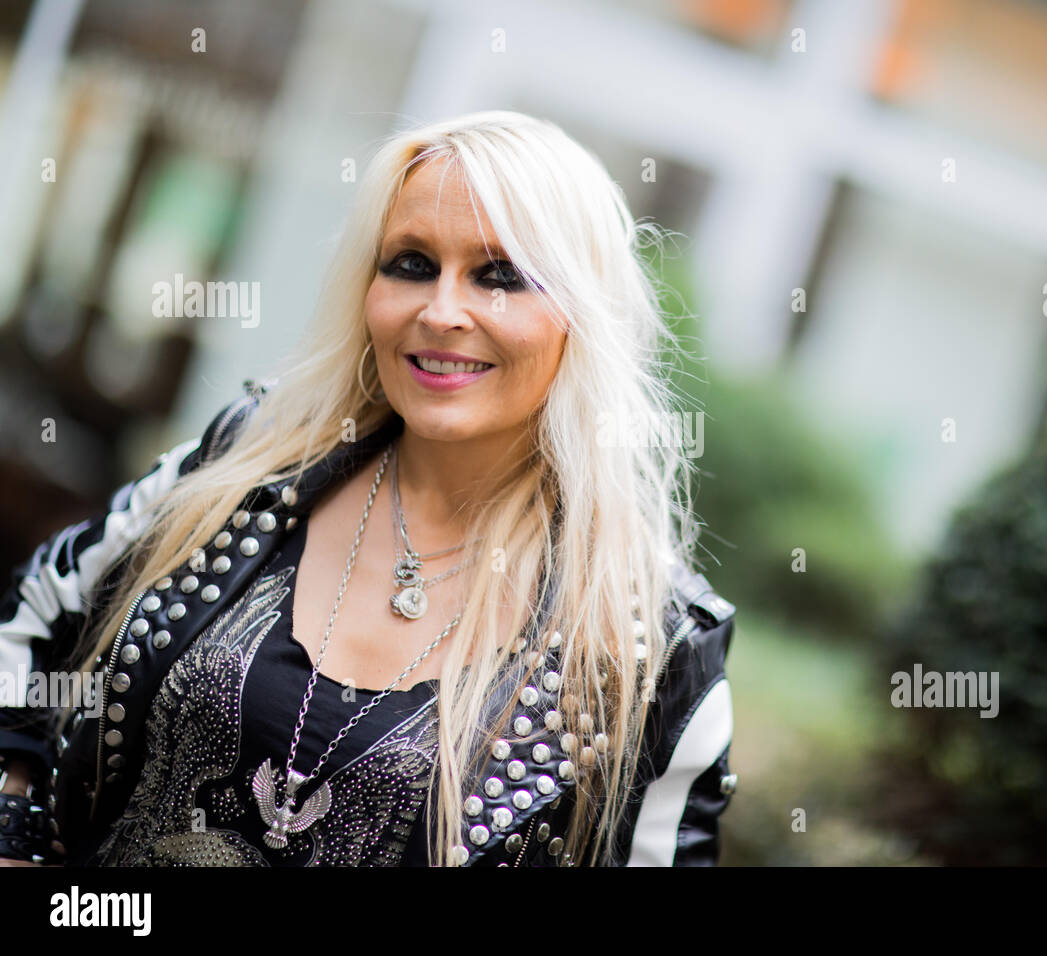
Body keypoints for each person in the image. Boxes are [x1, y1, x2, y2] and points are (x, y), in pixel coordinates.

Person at [0, 110, 738, 867]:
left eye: (499, 275)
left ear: (582, 317)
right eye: (412, 264)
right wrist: (14, 827)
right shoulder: (250, 459)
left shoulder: (661, 644)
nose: (441, 311)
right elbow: (29, 624)